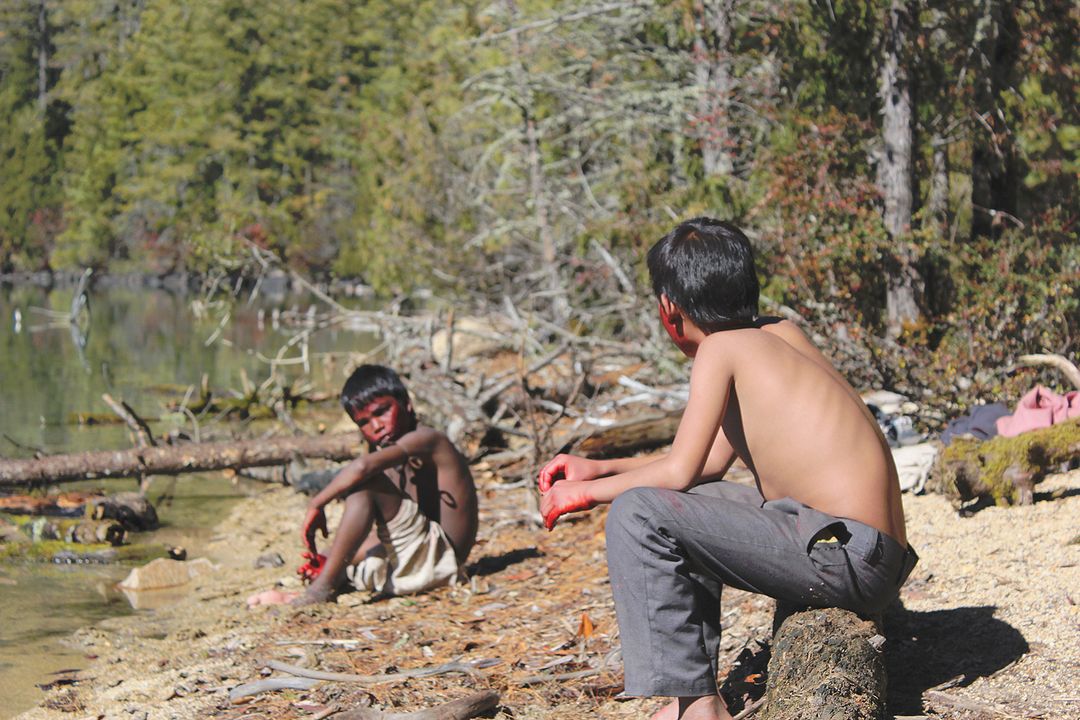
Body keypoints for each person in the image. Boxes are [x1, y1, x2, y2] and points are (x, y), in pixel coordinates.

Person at [537, 217, 917, 720]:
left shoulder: (720, 349)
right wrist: (597, 468)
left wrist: (585, 494)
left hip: (846, 558)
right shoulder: (779, 333)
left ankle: (698, 708)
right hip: (868, 553)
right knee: (675, 508)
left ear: (668, 309)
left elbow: (677, 472)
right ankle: (688, 694)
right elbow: (706, 464)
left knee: (637, 515)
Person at [248, 364, 478, 606]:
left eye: (382, 412)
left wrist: (316, 503)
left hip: (441, 560)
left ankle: (319, 593)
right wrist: (326, 558)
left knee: (364, 483)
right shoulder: (388, 457)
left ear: (407, 403)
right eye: (364, 422)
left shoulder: (429, 440)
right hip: (417, 561)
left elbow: (361, 468)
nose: (376, 426)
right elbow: (383, 534)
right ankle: (311, 588)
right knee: (336, 557)